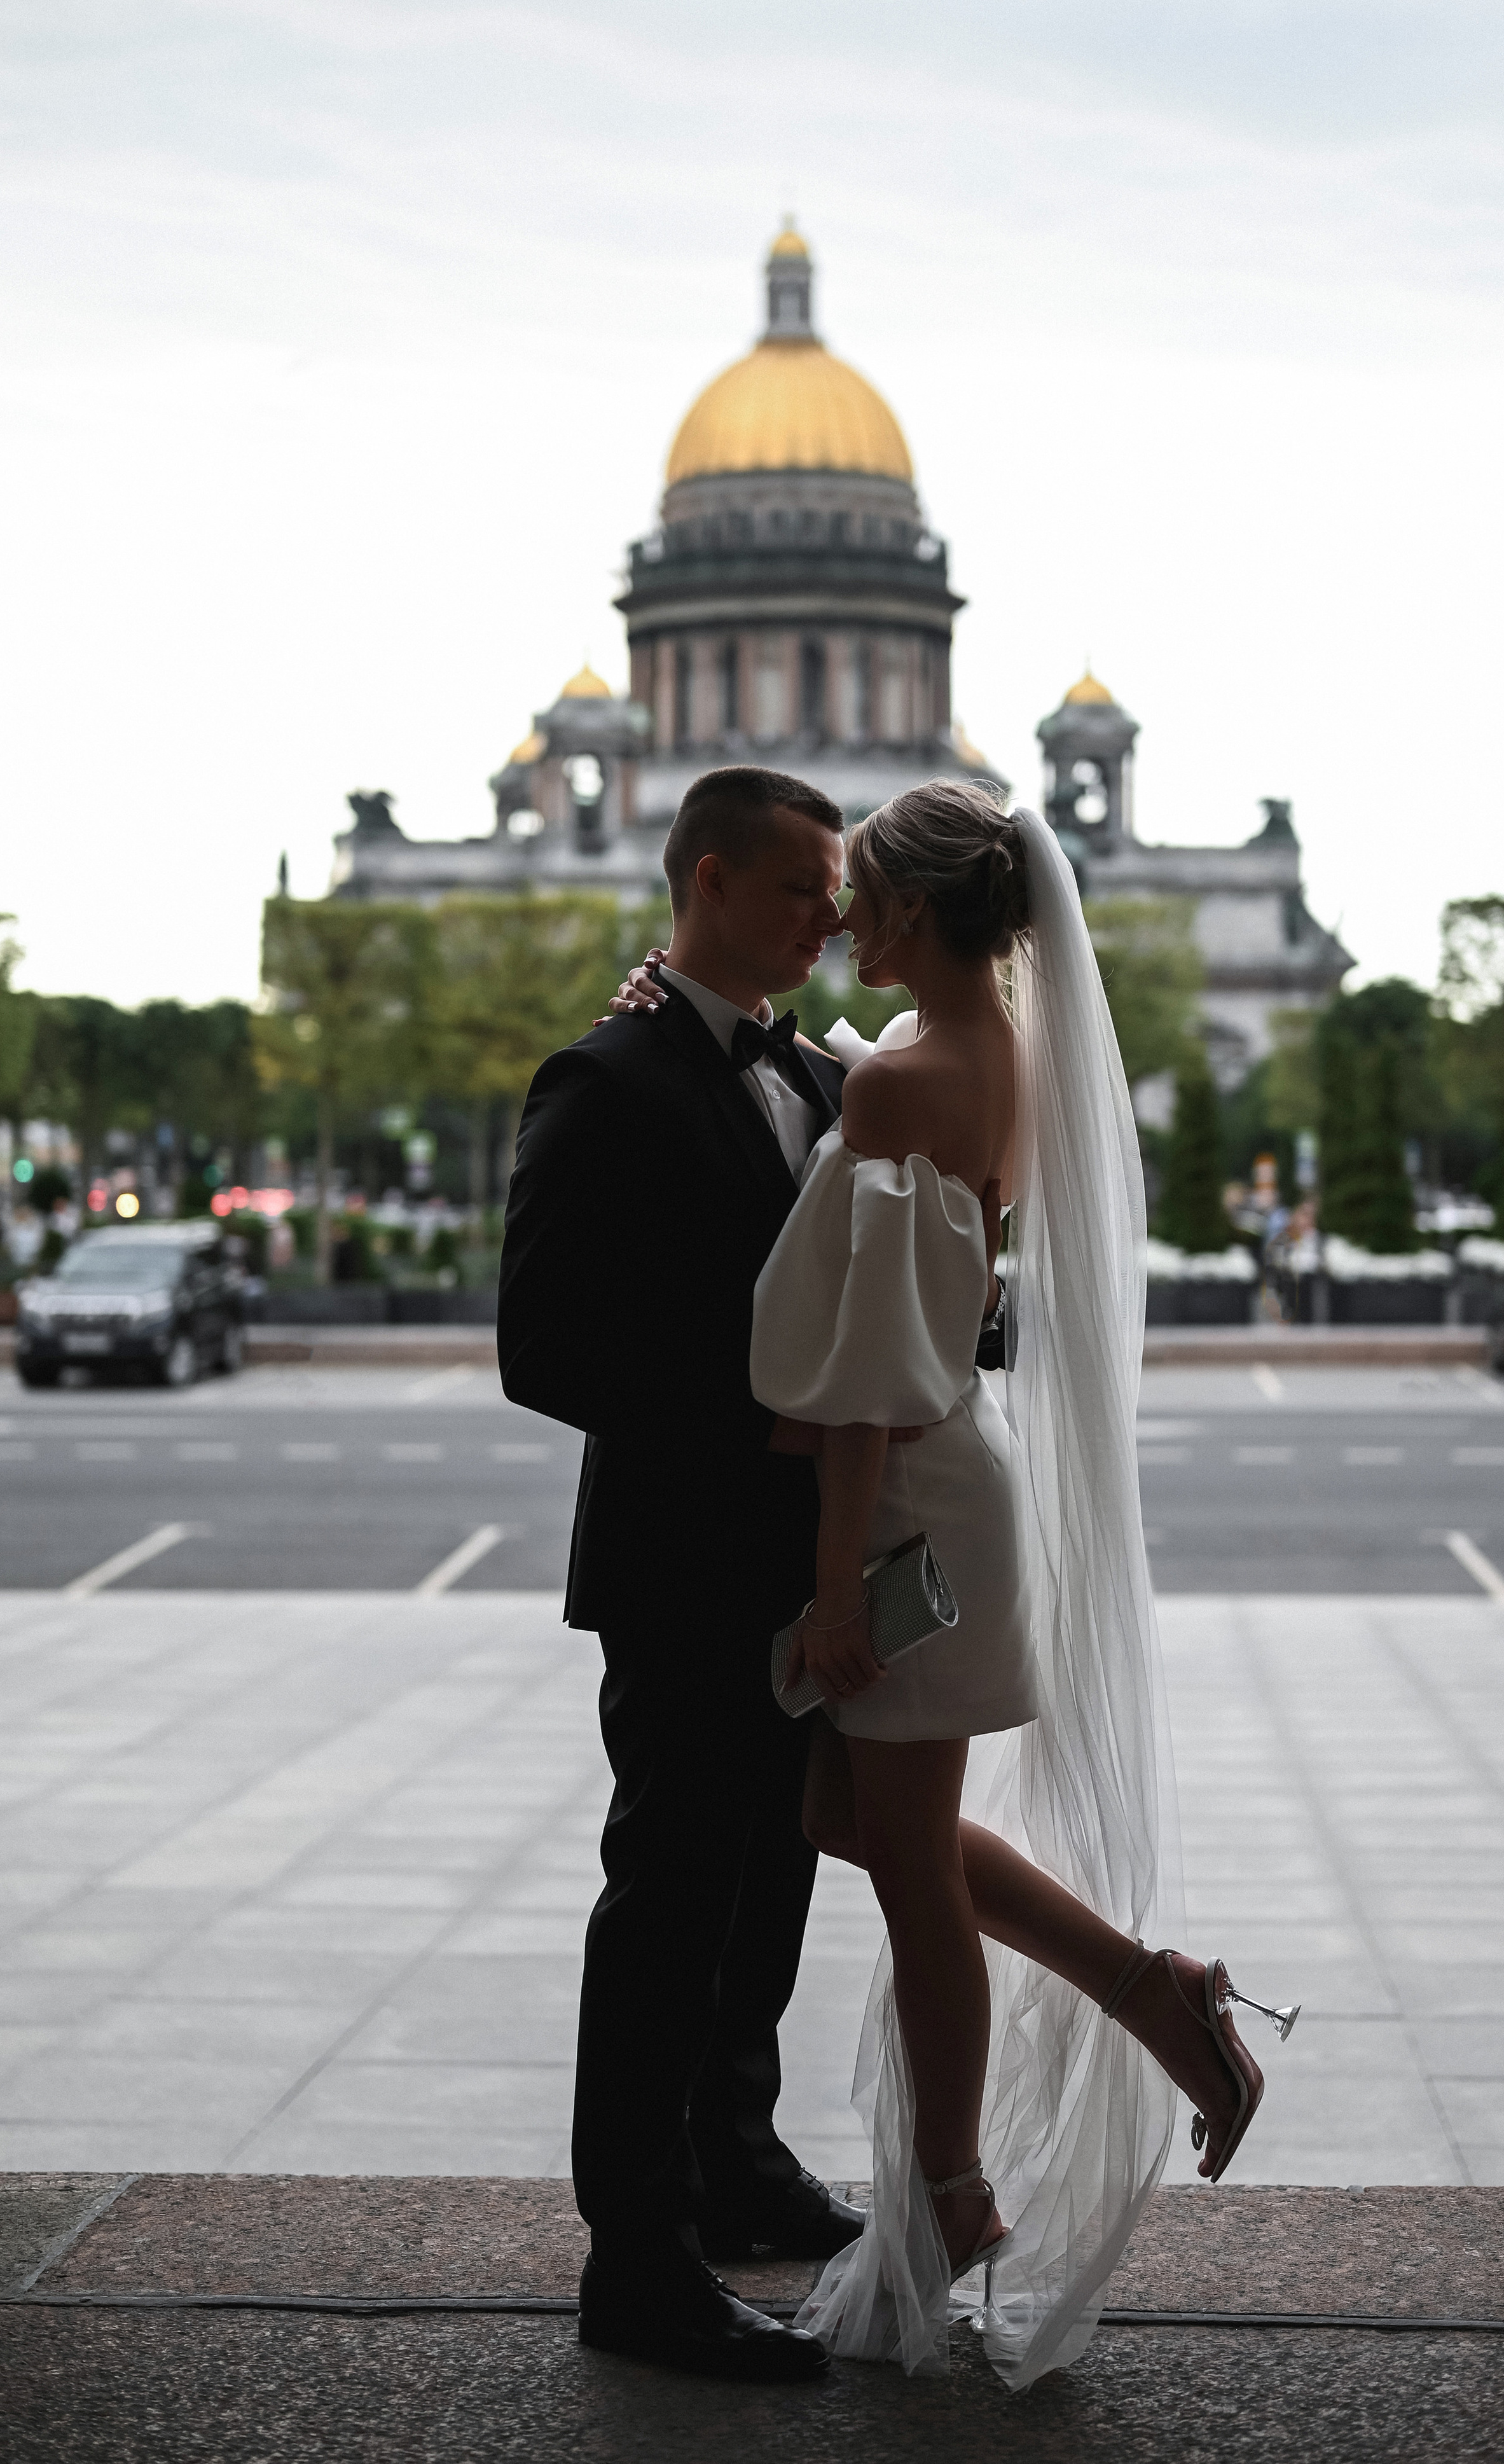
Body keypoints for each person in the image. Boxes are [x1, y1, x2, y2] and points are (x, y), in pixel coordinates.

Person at [739, 780, 1297, 2388]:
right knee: (855, 1821)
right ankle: (1151, 1987)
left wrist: (839, 1583)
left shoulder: (902, 1083)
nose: (838, 920)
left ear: (912, 914)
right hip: (957, 1474)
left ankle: (956, 2200)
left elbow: (866, 1381)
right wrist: (804, 1059)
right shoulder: (997, 1056)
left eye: (857, 898)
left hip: (905, 1489)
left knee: (906, 1872)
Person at [497, 765, 1005, 2384]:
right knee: (666, 1899)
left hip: (799, 1568)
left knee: (768, 1883)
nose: (833, 917)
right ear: (708, 882)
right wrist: (766, 1430)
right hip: (682, 1558)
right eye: (803, 891)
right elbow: (542, 1348)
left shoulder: (809, 1061)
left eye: (845, 892)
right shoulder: (607, 1074)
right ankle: (633, 2257)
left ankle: (738, 2156)